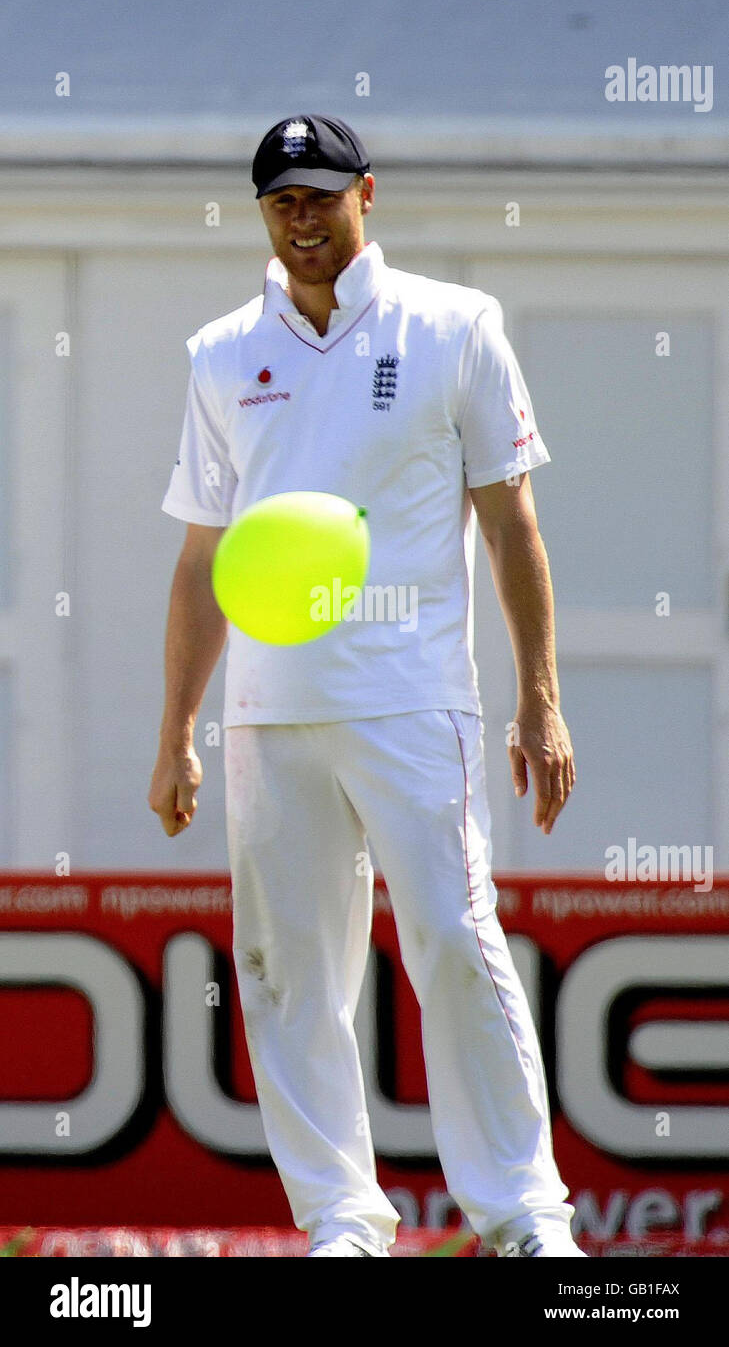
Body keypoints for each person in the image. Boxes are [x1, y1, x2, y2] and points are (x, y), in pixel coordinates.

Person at [149, 114, 585, 1259]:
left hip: (413, 696)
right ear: (262, 213)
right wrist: (177, 731)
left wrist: (540, 697)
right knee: (291, 970)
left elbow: (511, 523)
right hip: (267, 710)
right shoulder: (217, 352)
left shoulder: (455, 326)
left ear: (366, 195)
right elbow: (204, 560)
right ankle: (343, 1219)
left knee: (452, 933)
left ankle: (525, 1215)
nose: (304, 219)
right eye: (282, 200)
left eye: (322, 196)